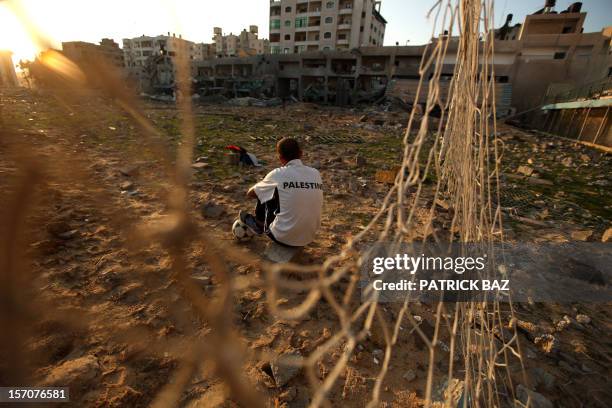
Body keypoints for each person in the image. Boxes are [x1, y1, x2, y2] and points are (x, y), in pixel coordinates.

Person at [240, 137, 323, 247]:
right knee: (283, 193)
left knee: (267, 191)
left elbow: (251, 193)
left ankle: (259, 223)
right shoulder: (315, 173)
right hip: (308, 237)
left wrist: (266, 184)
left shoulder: (278, 174)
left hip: (283, 237)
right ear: (301, 154)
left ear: (280, 158)